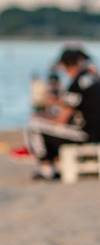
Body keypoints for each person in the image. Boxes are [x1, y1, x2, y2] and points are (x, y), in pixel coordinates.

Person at [25, 48, 99, 180]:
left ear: (65, 65)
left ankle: (46, 168)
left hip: (88, 135)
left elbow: (62, 119)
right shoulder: (93, 78)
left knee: (33, 126)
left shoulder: (77, 83)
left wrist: (42, 115)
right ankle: (54, 163)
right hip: (96, 132)